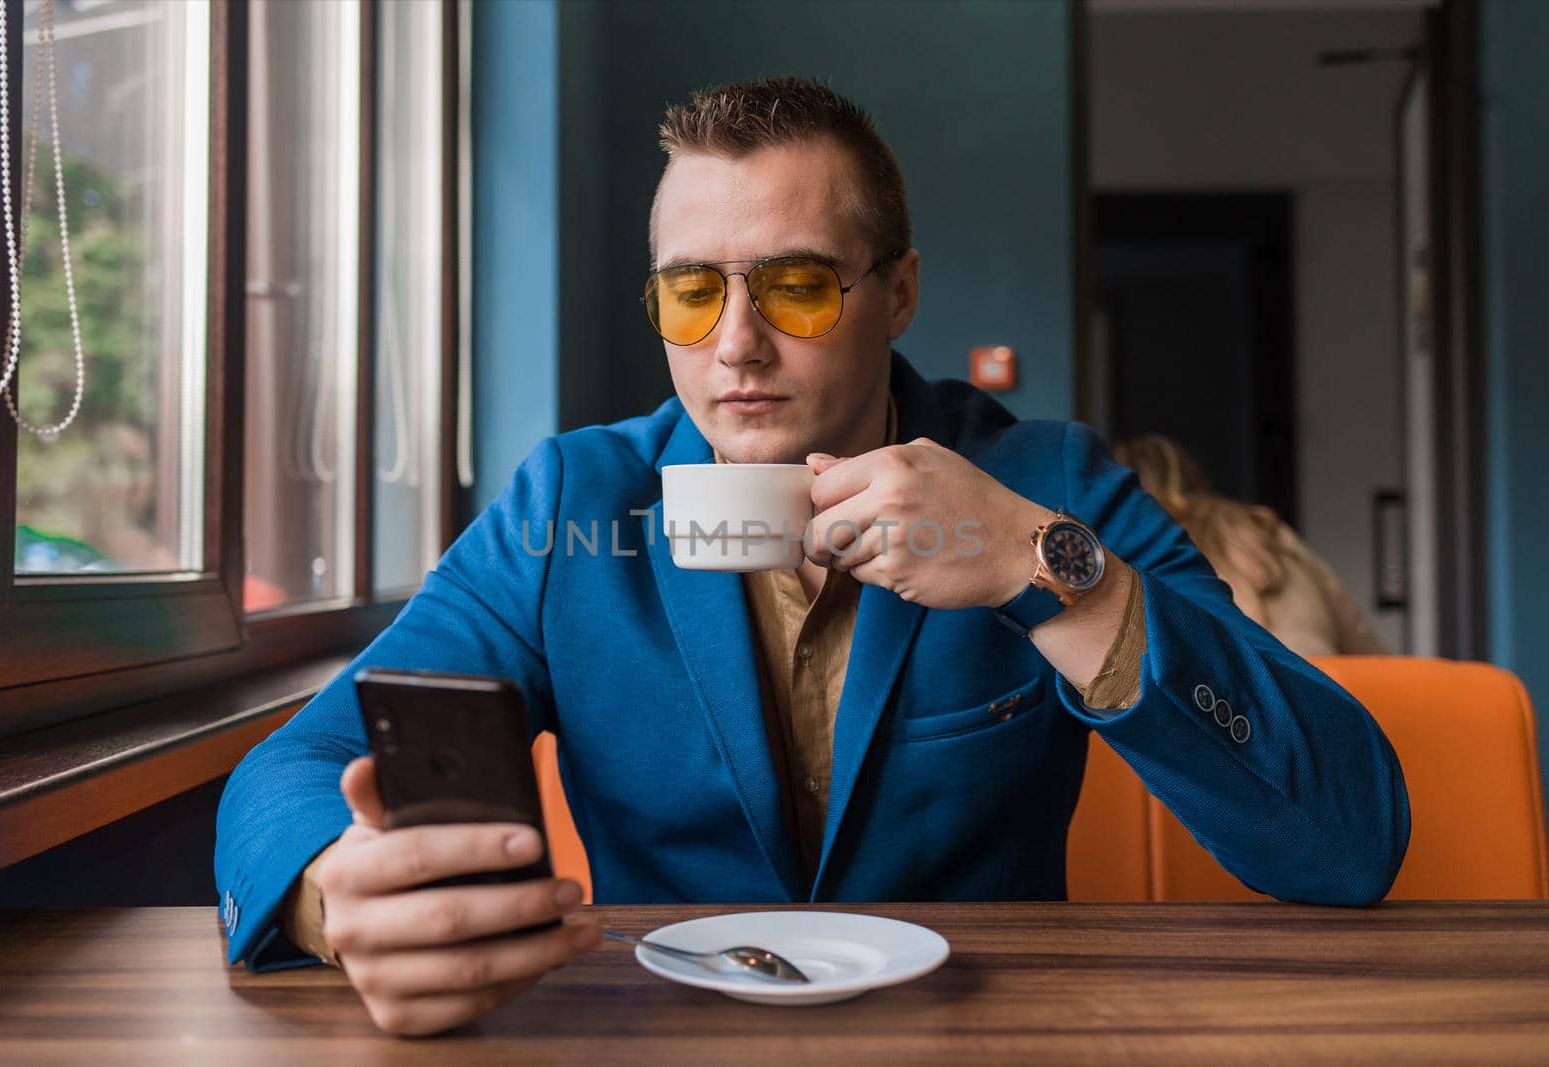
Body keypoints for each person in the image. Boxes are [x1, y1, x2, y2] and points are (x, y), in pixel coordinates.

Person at [215, 77, 1410, 1036]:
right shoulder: (571, 503)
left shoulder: (1047, 484)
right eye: (691, 292)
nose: (736, 344)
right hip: (654, 1034)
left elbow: (1347, 840)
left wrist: (1045, 567)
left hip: (981, 1038)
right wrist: (337, 892)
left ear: (896, 294)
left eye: (794, 285)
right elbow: (301, 761)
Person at [1113, 434, 1387, 658]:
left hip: (1231, 712)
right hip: (1324, 695)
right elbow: (1367, 648)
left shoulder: (1129, 549)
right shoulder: (1261, 528)